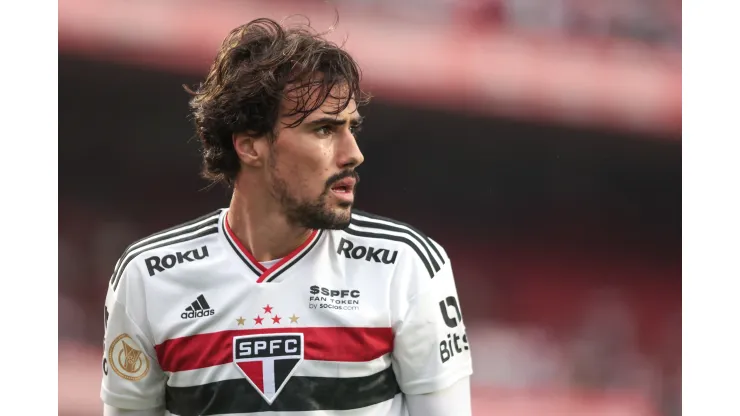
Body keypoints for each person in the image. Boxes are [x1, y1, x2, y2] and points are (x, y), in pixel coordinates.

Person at [101, 17, 472, 416]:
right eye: (325, 130)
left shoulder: (406, 265)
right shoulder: (147, 276)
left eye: (352, 127)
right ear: (250, 147)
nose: (354, 153)